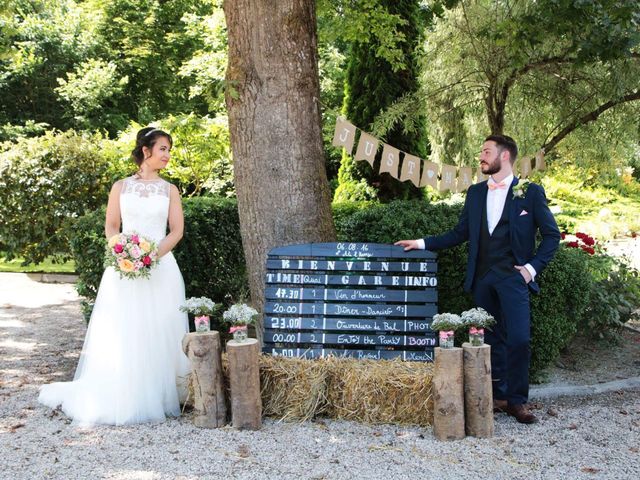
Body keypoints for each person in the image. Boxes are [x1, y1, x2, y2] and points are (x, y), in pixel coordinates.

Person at [395, 134, 560, 424]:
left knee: (519, 339)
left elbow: (551, 236)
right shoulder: (475, 193)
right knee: (490, 339)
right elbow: (459, 234)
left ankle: (518, 401)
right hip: (483, 278)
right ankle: (498, 396)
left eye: (486, 151)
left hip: (513, 278)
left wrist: (531, 269)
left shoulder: (530, 193)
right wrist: (420, 243)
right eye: (481, 152)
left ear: (505, 155)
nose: (481, 157)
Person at [39, 127, 191, 425]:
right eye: (163, 149)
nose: (167, 155)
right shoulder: (120, 187)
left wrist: (151, 255)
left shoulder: (170, 190)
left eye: (168, 149)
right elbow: (111, 226)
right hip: (124, 268)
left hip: (161, 267)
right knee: (126, 328)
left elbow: (177, 230)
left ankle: (162, 393)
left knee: (161, 327)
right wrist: (124, 251)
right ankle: (125, 391)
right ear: (146, 151)